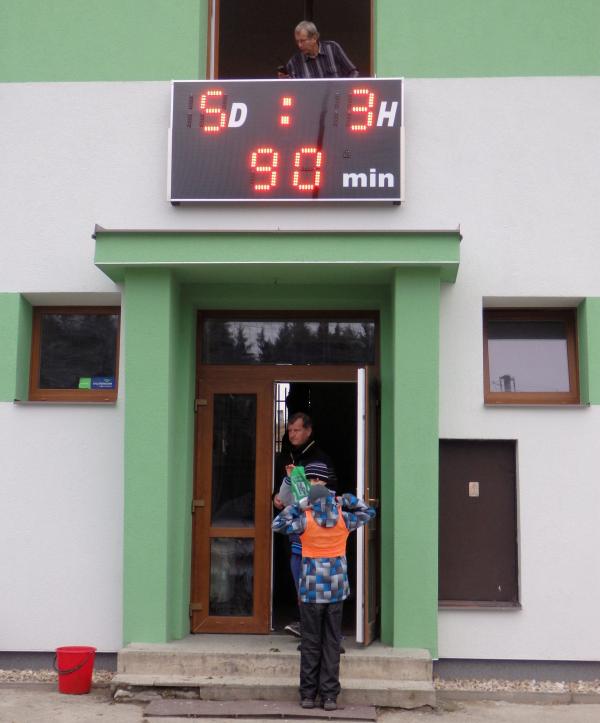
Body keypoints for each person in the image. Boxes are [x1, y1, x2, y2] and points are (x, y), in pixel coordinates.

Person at [272, 478, 375, 710]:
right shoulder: (344, 519)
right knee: (331, 642)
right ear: (330, 498)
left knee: (310, 642)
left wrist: (300, 504)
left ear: (312, 501)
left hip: (310, 592)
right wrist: (345, 499)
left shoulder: (304, 520)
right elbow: (368, 511)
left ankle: (308, 695)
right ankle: (329, 697)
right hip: (336, 592)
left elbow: (277, 524)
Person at [273, 413, 336, 638]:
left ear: (308, 430)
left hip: (316, 529)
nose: (292, 435)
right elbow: (276, 485)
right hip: (293, 526)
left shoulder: (320, 458)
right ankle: (302, 621)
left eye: (297, 430)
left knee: (313, 577)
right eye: (289, 431)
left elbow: (331, 491)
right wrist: (276, 497)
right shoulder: (284, 457)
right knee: (294, 571)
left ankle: (316, 628)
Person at [280, 20, 358, 79]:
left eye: (303, 41)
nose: (299, 45)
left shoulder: (333, 48)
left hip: (336, 98)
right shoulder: (294, 62)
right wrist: (284, 80)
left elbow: (353, 72)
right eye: (297, 41)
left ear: (314, 38)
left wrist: (345, 90)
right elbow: (290, 88)